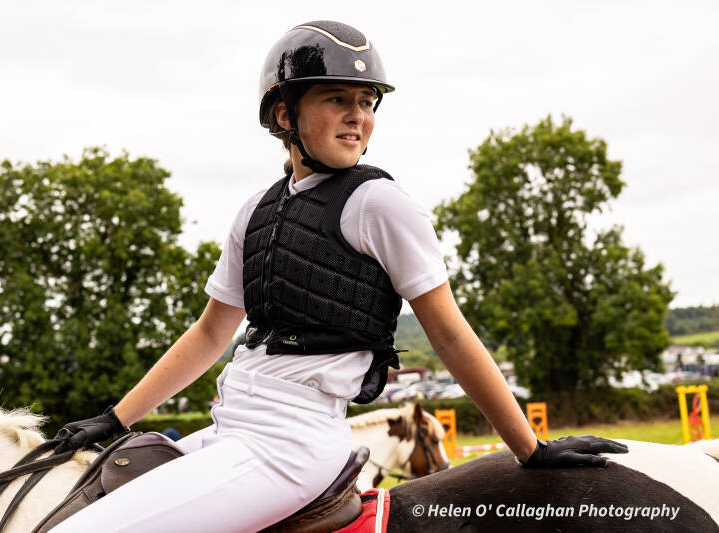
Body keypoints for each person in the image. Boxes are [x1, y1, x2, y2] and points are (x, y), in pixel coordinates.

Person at [50, 21, 628, 533]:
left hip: (289, 446)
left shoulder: (380, 204)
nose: (358, 116)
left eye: (367, 102)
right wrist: (114, 418)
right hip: (230, 427)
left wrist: (530, 449)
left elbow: (451, 334)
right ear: (285, 115)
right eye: (337, 99)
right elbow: (209, 334)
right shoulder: (255, 211)